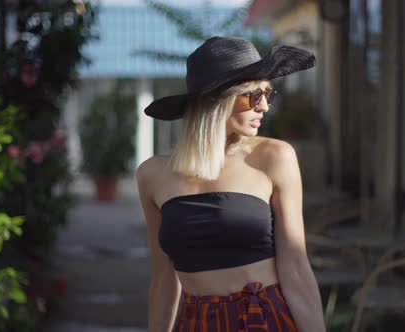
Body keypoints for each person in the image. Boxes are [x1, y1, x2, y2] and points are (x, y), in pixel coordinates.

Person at [136, 36, 326, 332]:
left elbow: (297, 267)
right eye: (253, 95)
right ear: (219, 99)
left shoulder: (274, 157)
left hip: (263, 319)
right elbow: (163, 279)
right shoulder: (152, 174)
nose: (264, 106)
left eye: (268, 94)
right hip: (196, 322)